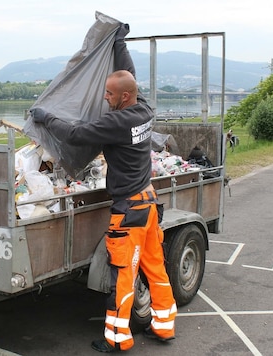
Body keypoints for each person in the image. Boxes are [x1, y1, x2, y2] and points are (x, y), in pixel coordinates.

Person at [30, 23, 177, 353]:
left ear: (124, 97)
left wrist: (44, 117)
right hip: (149, 205)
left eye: (109, 95)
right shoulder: (143, 110)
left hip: (129, 212)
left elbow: (75, 135)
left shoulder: (116, 122)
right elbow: (127, 72)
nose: (104, 98)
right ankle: (164, 326)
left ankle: (116, 338)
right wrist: (119, 42)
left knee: (123, 275)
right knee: (155, 267)